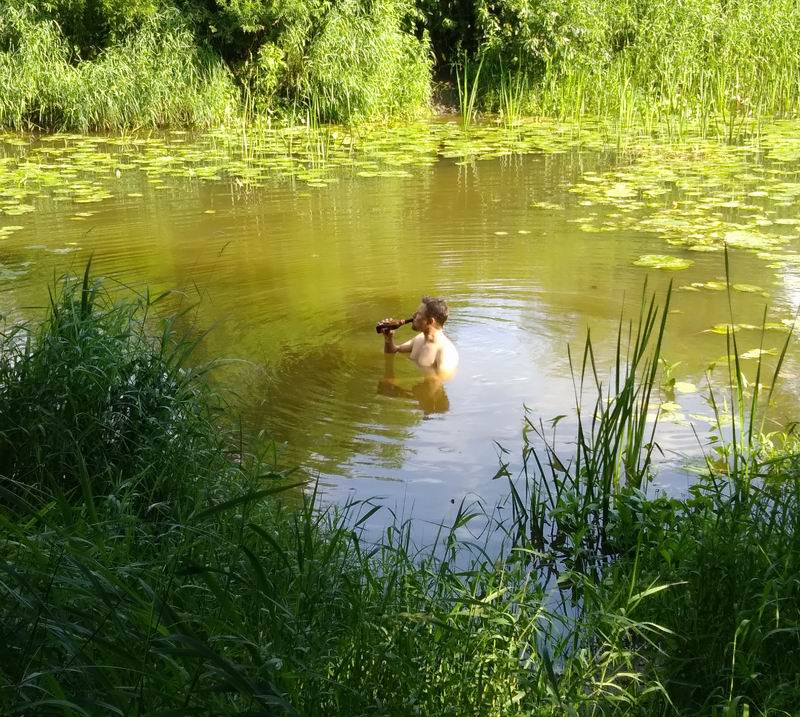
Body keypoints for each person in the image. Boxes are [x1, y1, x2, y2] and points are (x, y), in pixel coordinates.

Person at [380, 296, 459, 379]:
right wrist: (388, 338)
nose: (413, 316)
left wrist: (393, 385)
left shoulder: (446, 352)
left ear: (430, 321)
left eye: (418, 314)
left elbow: (438, 383)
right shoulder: (419, 339)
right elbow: (392, 352)